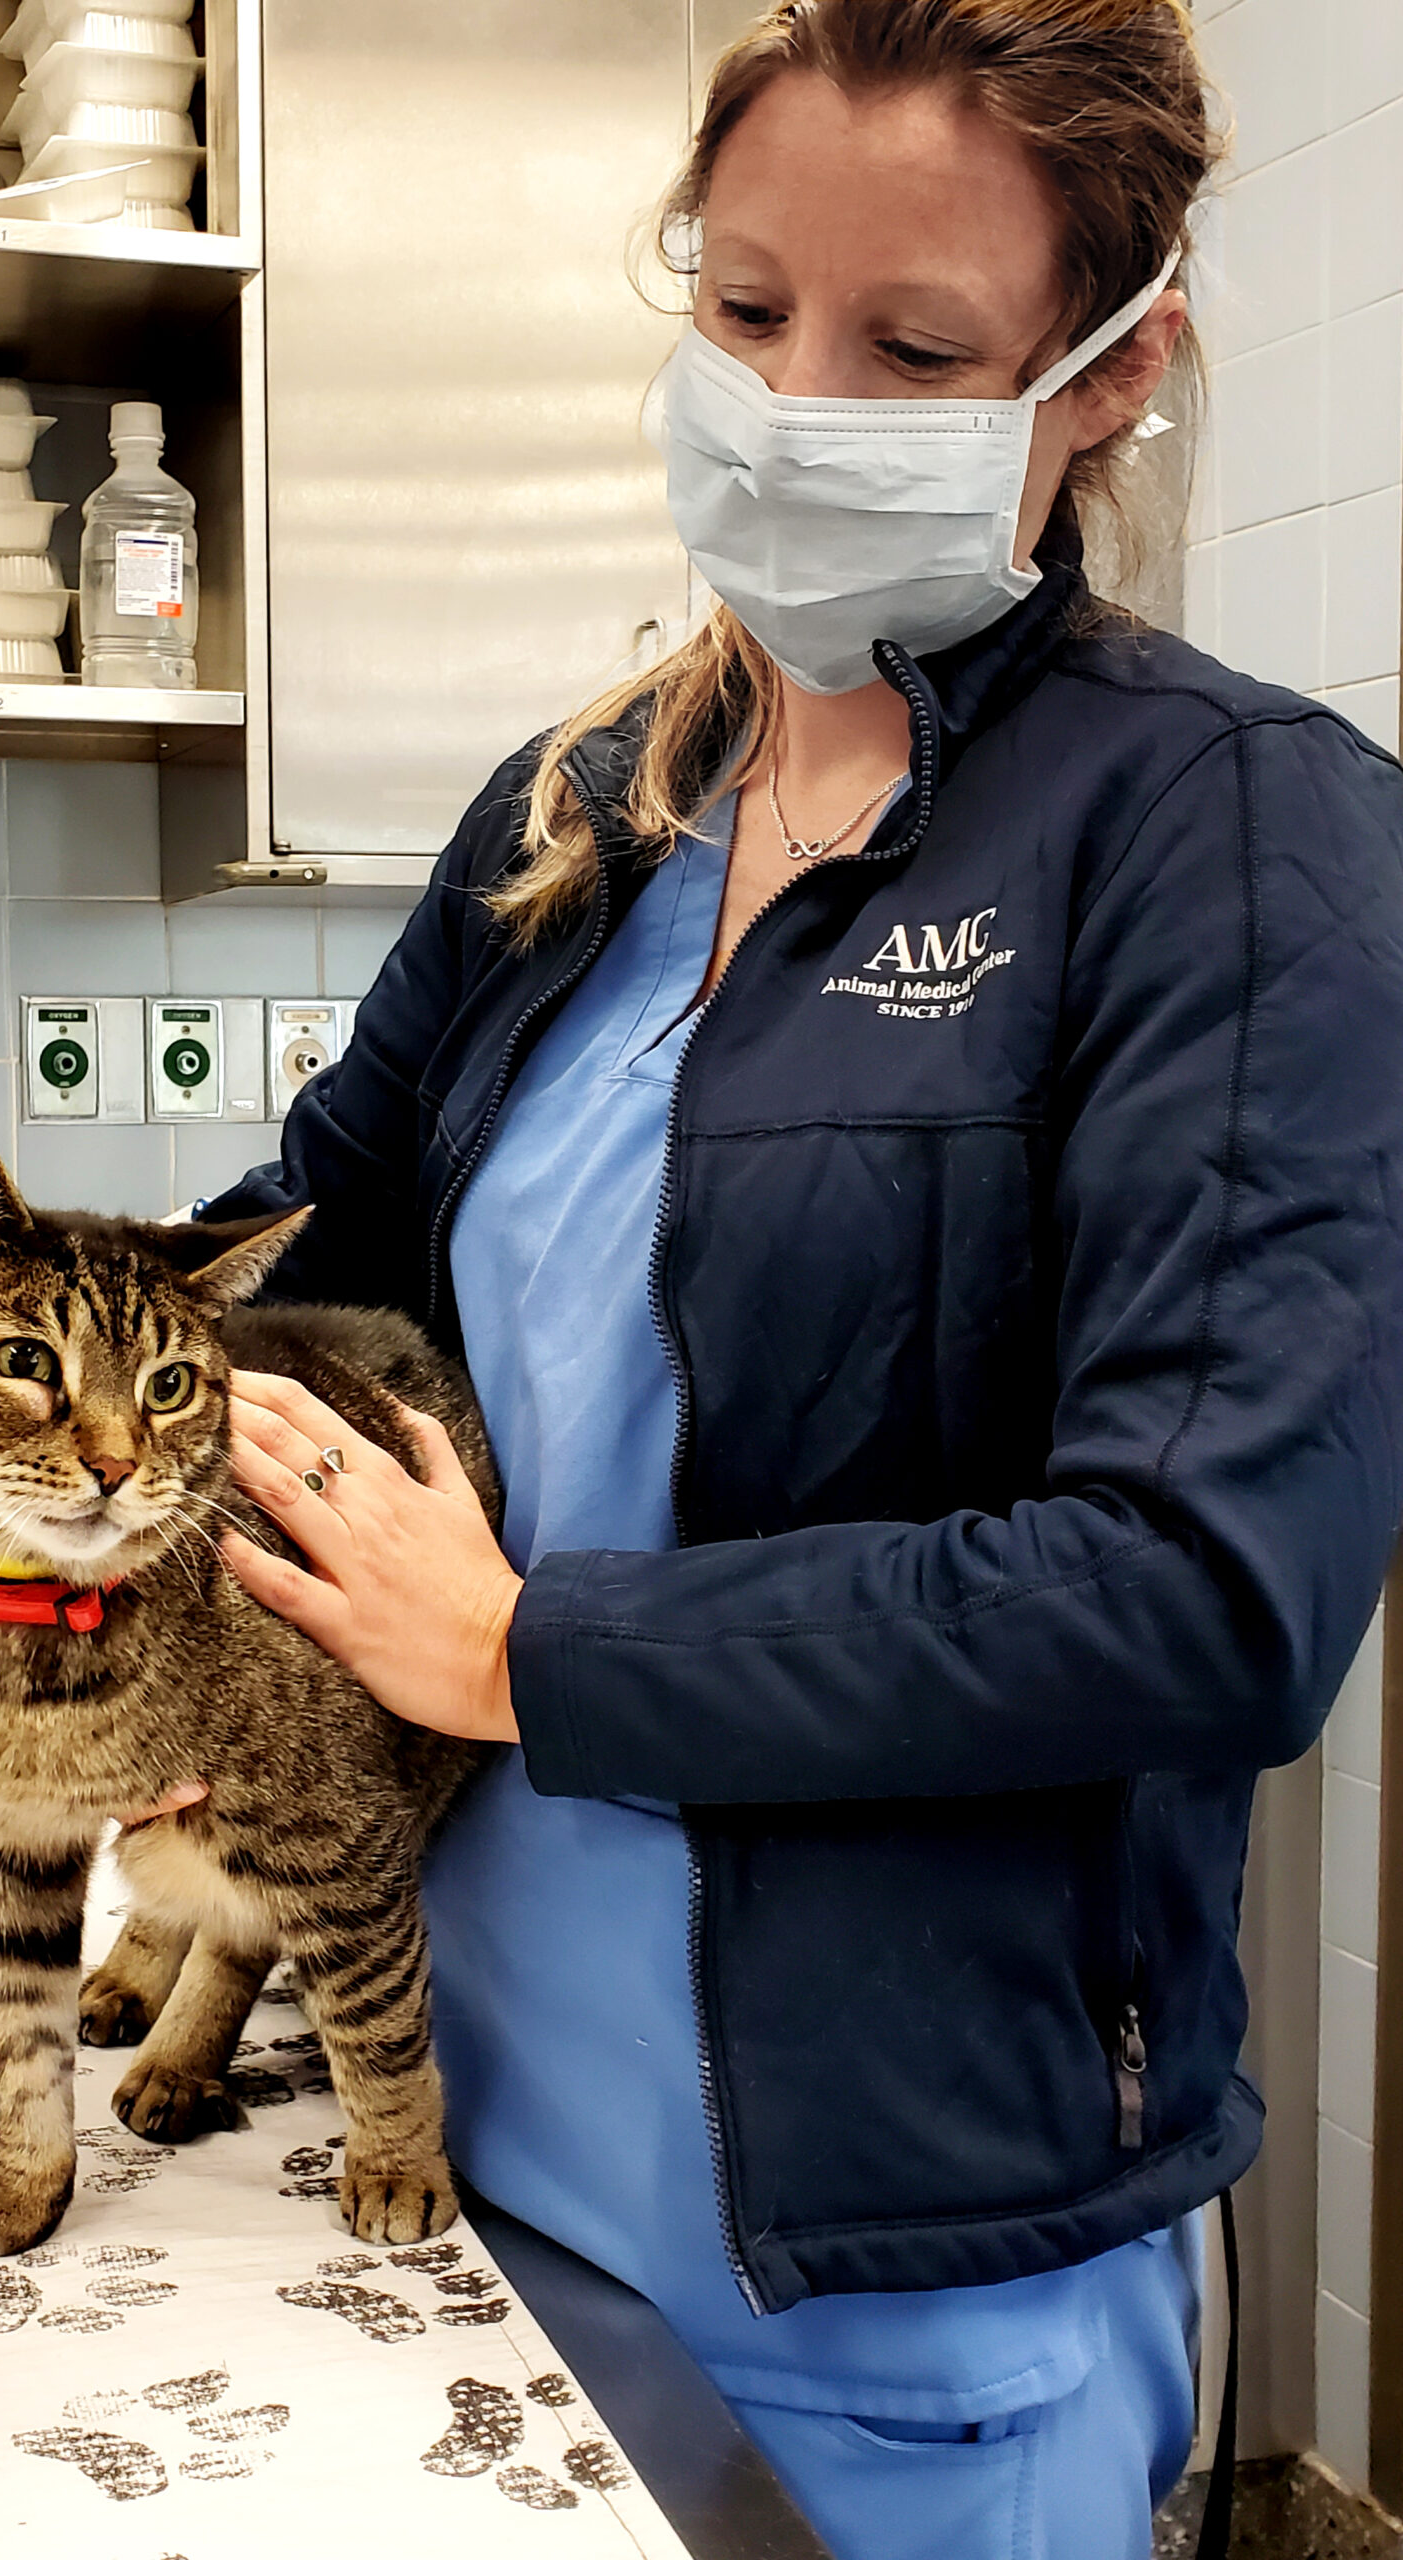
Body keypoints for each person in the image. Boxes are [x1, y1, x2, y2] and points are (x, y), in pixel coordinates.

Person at [196, 4, 1403, 2554]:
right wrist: (158, 1582)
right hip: (443, 2146)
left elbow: (1209, 1591)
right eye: (743, 311)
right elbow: (306, 1272)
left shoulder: (1226, 831)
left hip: (892, 2283)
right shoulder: (575, 817)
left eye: (915, 349)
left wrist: (533, 1653)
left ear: (1110, 373)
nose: (788, 401)